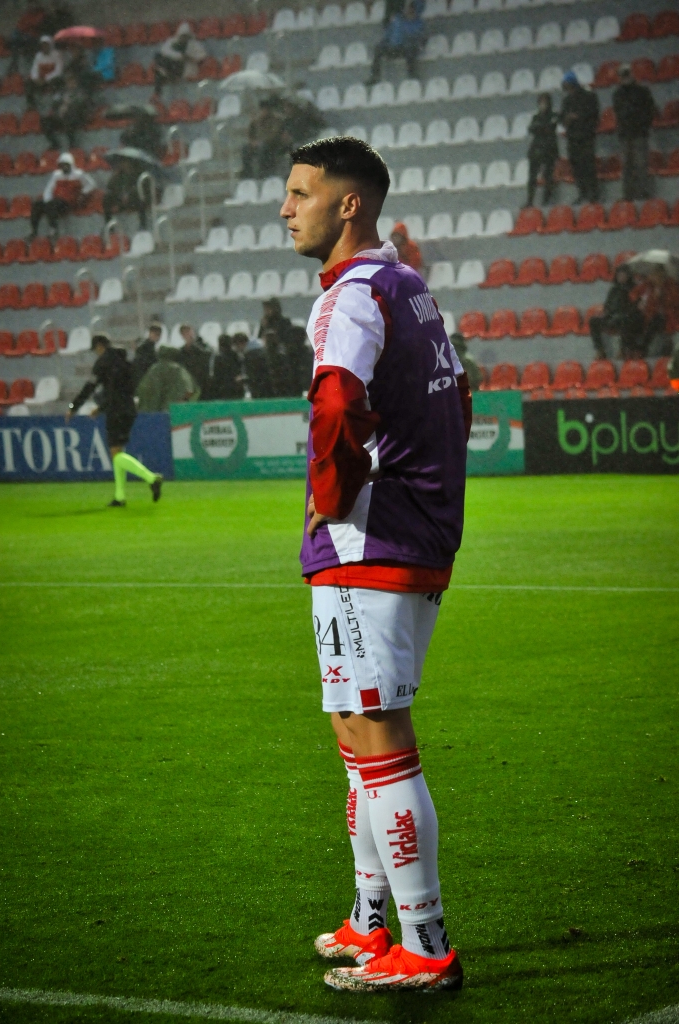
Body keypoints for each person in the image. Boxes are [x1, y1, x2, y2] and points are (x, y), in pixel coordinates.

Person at [280, 136, 470, 991]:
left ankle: (425, 945)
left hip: (370, 539)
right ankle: (369, 918)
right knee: (355, 732)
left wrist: (331, 496)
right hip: (410, 532)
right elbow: (460, 399)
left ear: (348, 204)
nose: (286, 208)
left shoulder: (351, 295)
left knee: (378, 732)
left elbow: (337, 402)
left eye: (301, 193)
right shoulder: (410, 288)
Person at [65, 333, 163, 507]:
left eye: (96, 350)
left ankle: (151, 478)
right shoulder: (125, 362)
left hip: (116, 411)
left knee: (116, 454)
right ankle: (119, 496)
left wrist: (73, 407)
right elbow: (121, 389)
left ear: (99, 346)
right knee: (118, 452)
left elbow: (90, 387)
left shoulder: (102, 363)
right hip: (129, 409)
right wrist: (101, 408)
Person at [613, 65, 657, 202]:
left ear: (632, 74)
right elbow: (619, 113)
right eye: (622, 75)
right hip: (625, 134)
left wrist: (643, 125)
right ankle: (628, 195)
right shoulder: (617, 94)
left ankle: (643, 193)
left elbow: (650, 110)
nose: (625, 78)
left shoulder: (642, 91)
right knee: (626, 165)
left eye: (626, 74)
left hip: (639, 133)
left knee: (641, 164)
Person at [29, 151, 94, 239]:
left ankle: (54, 229)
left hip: (68, 203)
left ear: (71, 164)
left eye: (66, 165)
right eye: (62, 165)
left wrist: (83, 193)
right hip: (56, 202)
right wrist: (47, 201)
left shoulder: (79, 174)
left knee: (53, 204)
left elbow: (91, 184)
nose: (64, 167)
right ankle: (34, 231)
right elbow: (49, 189)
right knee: (37, 204)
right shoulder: (56, 175)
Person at [559, 70, 600, 204]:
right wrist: (568, 119)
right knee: (576, 167)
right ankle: (582, 192)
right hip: (573, 138)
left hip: (586, 136)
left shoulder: (589, 97)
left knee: (588, 165)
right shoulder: (566, 101)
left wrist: (579, 117)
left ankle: (593, 193)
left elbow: (594, 115)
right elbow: (562, 119)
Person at [589, 265, 645, 360]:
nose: (621, 277)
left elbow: (636, 307)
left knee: (623, 320)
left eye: (623, 275)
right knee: (593, 320)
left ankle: (623, 350)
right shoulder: (614, 290)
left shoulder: (633, 289)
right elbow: (607, 305)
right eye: (619, 275)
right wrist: (606, 313)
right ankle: (600, 350)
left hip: (628, 317)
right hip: (612, 317)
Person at [367, 0, 425, 84]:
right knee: (378, 49)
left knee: (410, 48)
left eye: (410, 9)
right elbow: (387, 36)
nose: (407, 11)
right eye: (406, 9)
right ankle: (375, 76)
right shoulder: (397, 20)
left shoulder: (418, 23)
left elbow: (418, 37)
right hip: (394, 48)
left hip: (406, 48)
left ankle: (412, 74)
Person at [40, 69, 95, 151]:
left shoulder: (81, 92)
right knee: (45, 121)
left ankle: (72, 144)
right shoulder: (62, 92)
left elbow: (83, 103)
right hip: (60, 116)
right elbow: (55, 104)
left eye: (72, 81)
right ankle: (54, 143)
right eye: (68, 81)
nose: (70, 83)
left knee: (69, 117)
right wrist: (60, 108)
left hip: (76, 117)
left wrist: (68, 104)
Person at [631, 265, 679, 357]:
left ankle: (642, 348)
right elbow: (634, 294)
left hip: (668, 317)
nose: (655, 278)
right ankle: (630, 349)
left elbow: (674, 302)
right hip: (650, 315)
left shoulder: (671, 285)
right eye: (654, 275)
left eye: (658, 275)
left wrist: (662, 296)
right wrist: (639, 301)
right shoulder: (649, 285)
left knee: (655, 320)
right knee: (632, 320)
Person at [137, 346, 199, 411]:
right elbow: (190, 389)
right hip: (174, 410)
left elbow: (143, 390)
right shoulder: (179, 370)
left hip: (154, 411)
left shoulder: (154, 369)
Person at [153, 23, 206, 97]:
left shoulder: (194, 44)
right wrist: (179, 56)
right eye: (182, 36)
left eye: (185, 36)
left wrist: (188, 56)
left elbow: (202, 56)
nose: (184, 38)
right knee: (159, 60)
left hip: (187, 69)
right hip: (172, 66)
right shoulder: (172, 42)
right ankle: (157, 93)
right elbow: (164, 51)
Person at [259, 298, 299, 397]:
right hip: (268, 354)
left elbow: (287, 337)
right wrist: (264, 327)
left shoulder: (284, 321)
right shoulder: (265, 322)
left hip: (281, 354)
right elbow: (259, 338)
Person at [103, 157, 153, 232]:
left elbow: (143, 189)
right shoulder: (120, 175)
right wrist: (114, 175)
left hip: (136, 200)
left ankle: (143, 226)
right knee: (107, 197)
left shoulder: (139, 173)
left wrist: (129, 195)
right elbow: (110, 187)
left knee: (139, 199)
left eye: (125, 162)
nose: (122, 164)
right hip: (121, 200)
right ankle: (110, 226)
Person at [526, 92, 559, 208]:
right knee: (532, 177)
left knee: (548, 176)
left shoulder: (554, 116)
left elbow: (549, 128)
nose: (542, 105)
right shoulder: (536, 117)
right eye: (541, 103)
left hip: (549, 150)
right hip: (536, 149)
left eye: (545, 103)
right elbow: (531, 129)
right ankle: (529, 201)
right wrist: (541, 127)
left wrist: (540, 127)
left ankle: (547, 200)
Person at [6, 2, 46, 76]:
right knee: (14, 38)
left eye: (33, 3)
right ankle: (14, 63)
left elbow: (36, 26)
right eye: (30, 4)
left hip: (34, 35)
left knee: (26, 41)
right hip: (24, 34)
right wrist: (24, 30)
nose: (31, 6)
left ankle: (26, 61)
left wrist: (27, 29)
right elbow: (19, 26)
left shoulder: (41, 14)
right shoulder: (27, 14)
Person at [25, 35, 63, 108]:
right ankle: (31, 104)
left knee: (58, 80)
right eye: (43, 45)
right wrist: (36, 78)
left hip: (51, 79)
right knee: (28, 82)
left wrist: (46, 78)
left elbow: (58, 70)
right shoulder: (38, 56)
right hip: (40, 80)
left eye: (46, 45)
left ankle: (56, 100)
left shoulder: (57, 54)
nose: (44, 47)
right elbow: (34, 69)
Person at [175, 324, 211, 398]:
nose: (188, 335)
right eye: (185, 333)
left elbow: (207, 355)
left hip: (201, 382)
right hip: (188, 383)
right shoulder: (181, 352)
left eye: (189, 332)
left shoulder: (202, 346)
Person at [131, 319, 162, 391]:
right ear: (150, 333)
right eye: (156, 334)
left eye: (159, 335)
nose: (158, 337)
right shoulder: (146, 347)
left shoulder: (148, 346)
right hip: (146, 380)